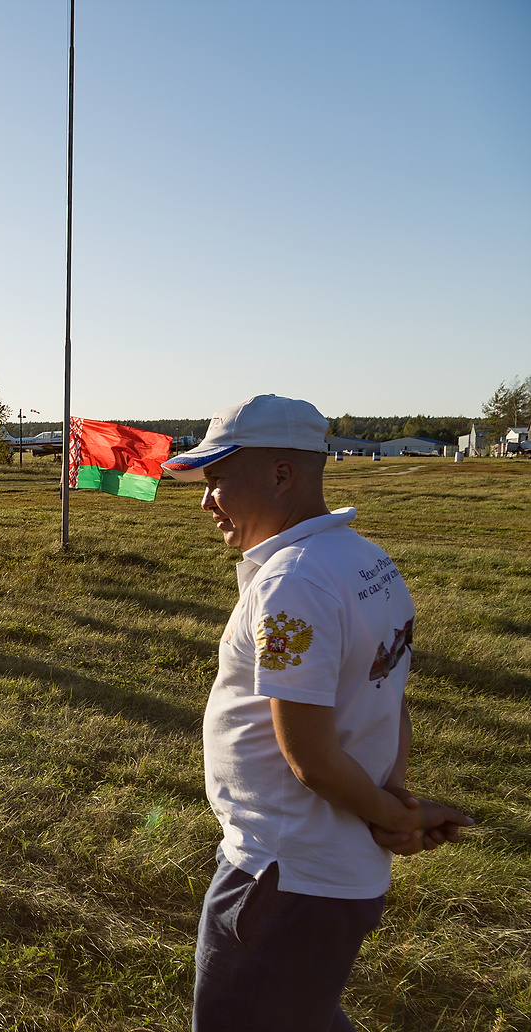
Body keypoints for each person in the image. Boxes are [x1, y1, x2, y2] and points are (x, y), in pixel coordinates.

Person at [161, 394, 472, 1032]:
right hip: (327, 868)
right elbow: (386, 692)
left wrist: (395, 818)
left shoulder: (292, 583)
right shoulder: (366, 561)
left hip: (284, 873)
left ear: (282, 475)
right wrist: (392, 798)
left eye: (218, 480)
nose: (206, 501)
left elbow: (310, 757)